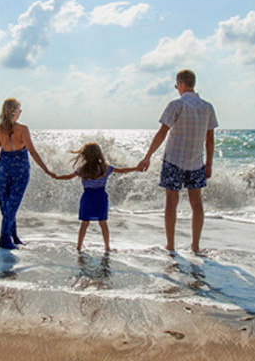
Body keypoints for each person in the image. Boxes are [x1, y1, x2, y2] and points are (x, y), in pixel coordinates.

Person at [138, 69, 218, 254]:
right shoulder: (207, 107)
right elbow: (210, 139)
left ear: (181, 84)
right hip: (196, 162)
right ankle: (195, 246)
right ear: (193, 83)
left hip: (174, 160)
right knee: (196, 204)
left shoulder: (176, 105)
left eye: (176, 85)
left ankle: (171, 245)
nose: (177, 89)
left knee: (171, 202)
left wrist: (147, 156)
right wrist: (209, 163)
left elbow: (162, 133)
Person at [0, 98, 55, 250]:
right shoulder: (23, 129)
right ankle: (4, 238)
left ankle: (13, 236)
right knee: (11, 204)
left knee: (7, 204)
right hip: (20, 167)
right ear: (16, 113)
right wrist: (46, 169)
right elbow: (32, 151)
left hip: (3, 166)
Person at [54, 142, 138, 252]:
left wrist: (56, 176)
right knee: (103, 223)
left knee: (84, 223)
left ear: (84, 155)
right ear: (99, 154)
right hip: (100, 197)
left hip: (87, 197)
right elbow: (122, 170)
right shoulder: (105, 168)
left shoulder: (82, 169)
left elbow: (69, 177)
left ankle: (79, 247)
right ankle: (107, 247)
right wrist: (136, 168)